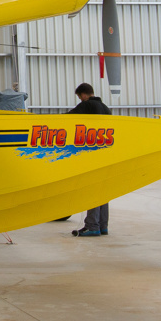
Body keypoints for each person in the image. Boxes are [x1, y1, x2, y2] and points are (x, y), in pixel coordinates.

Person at [68, 83, 111, 237]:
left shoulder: (87, 105)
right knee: (103, 191)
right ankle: (102, 226)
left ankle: (92, 226)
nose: (80, 99)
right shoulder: (106, 108)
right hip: (107, 154)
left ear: (84, 95)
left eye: (79, 97)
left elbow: (66, 118)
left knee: (92, 189)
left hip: (93, 155)